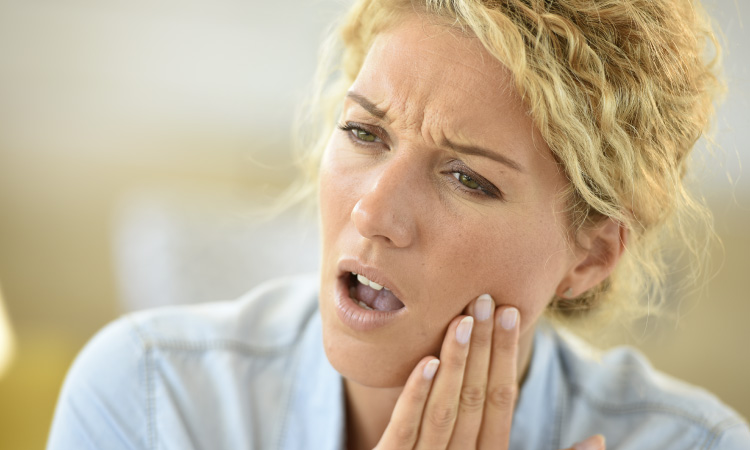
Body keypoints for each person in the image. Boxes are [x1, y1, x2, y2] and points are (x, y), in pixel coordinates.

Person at [48, 0, 750, 449]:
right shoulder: (148, 397)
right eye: (363, 132)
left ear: (591, 257)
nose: (373, 213)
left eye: (468, 178)